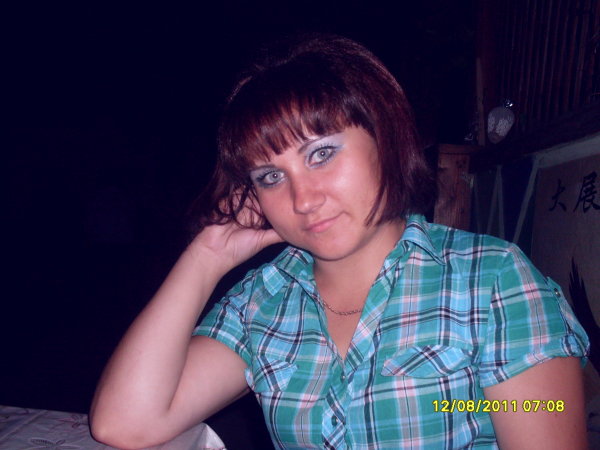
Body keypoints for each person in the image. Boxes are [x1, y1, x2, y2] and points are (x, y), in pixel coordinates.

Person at [90, 34, 590, 449]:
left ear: (385, 139)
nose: (303, 199)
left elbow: (538, 411)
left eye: (322, 153)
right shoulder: (264, 300)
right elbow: (125, 424)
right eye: (270, 177)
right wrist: (207, 256)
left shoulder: (492, 281)